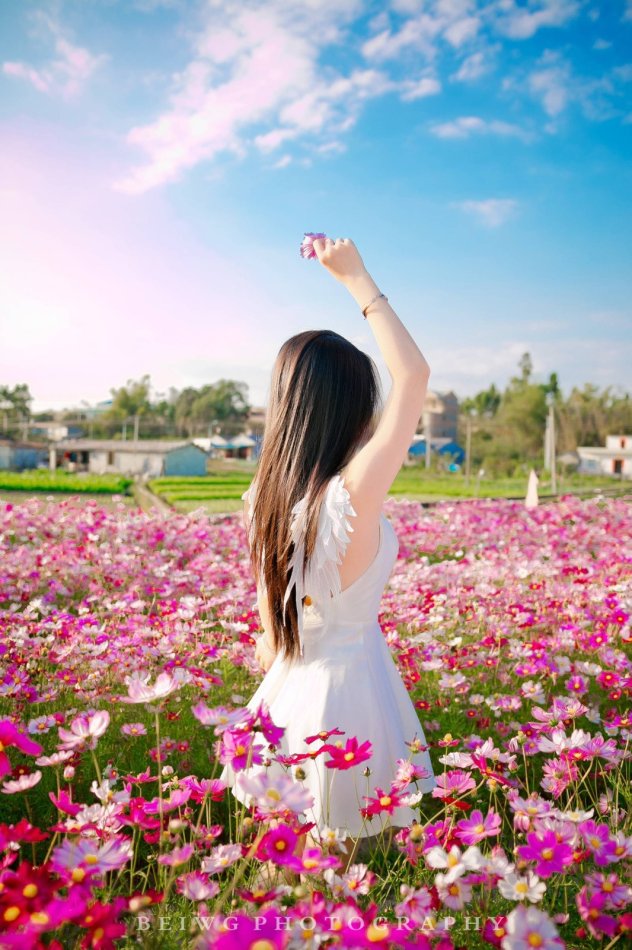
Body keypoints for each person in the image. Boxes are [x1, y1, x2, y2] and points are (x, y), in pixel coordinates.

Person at [219, 236, 436, 883]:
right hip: (349, 700)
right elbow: (416, 378)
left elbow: (267, 641)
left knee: (291, 879)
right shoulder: (348, 496)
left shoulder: (268, 501)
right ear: (349, 409)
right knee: (340, 884)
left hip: (288, 695)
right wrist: (357, 278)